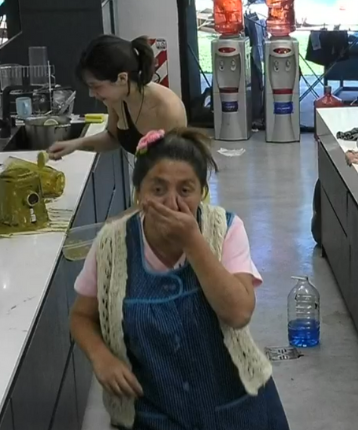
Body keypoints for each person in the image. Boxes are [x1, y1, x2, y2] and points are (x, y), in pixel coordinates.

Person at [69, 128, 290, 430]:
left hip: (236, 410)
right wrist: (101, 357)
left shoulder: (225, 230)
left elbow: (238, 313)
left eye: (185, 190)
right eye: (158, 189)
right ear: (139, 193)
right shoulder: (111, 244)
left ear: (202, 192)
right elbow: (81, 317)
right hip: (155, 415)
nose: (172, 203)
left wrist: (192, 241)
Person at [48, 34, 187, 160]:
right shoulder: (117, 99)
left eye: (96, 86)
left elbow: (178, 164)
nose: (91, 94)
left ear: (122, 78)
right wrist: (75, 144)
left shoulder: (167, 109)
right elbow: (113, 138)